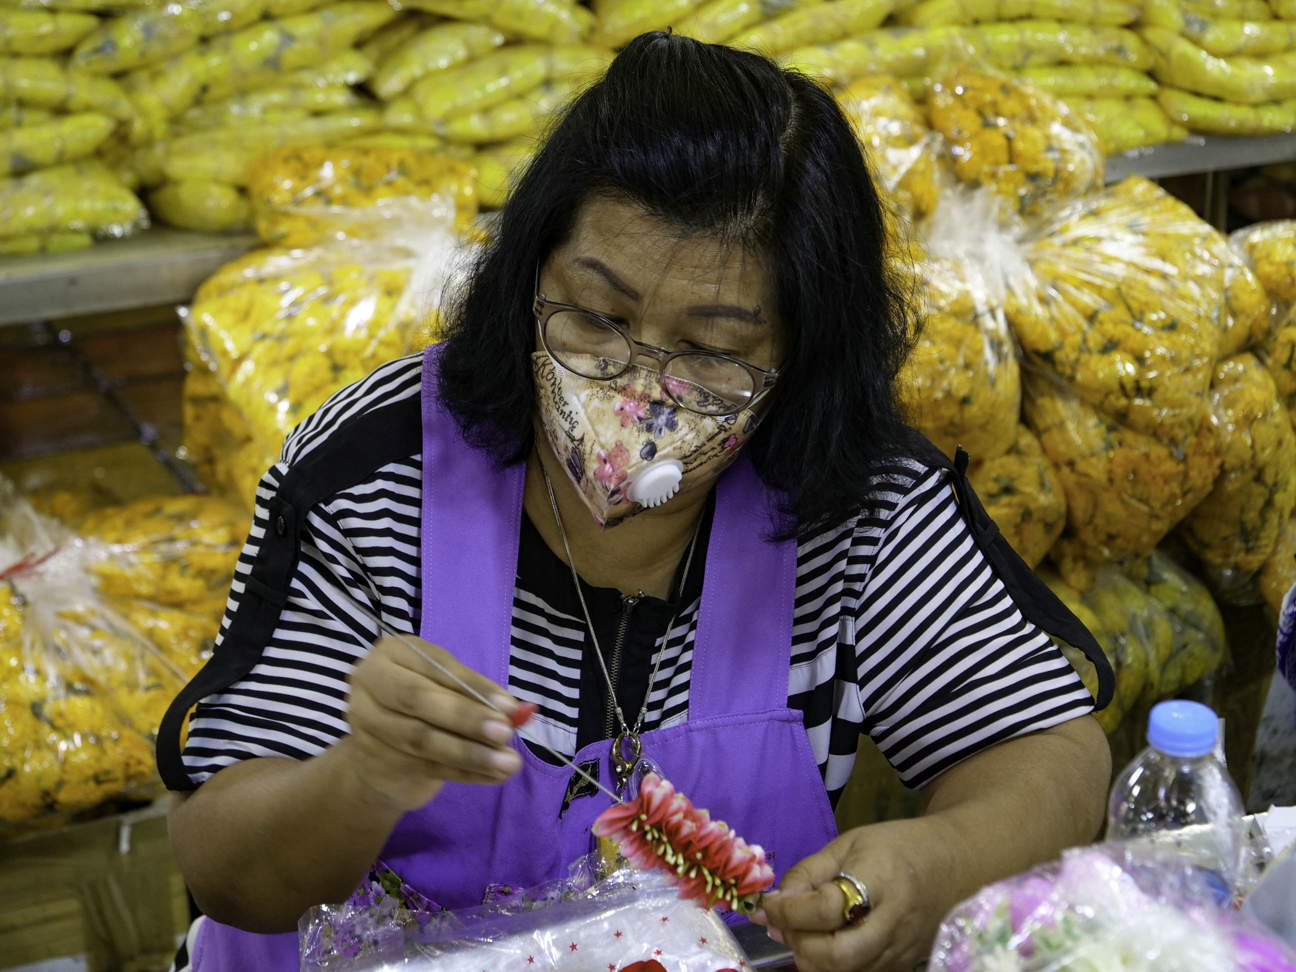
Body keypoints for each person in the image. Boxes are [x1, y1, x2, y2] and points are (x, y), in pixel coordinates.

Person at [159, 31, 1114, 972]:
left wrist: (940, 865)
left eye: (711, 352)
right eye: (596, 315)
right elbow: (227, 866)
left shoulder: (855, 495)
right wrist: (360, 776)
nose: (634, 394)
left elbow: (1050, 757)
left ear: (801, 357)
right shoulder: (374, 469)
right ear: (527, 271)